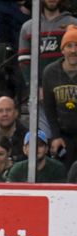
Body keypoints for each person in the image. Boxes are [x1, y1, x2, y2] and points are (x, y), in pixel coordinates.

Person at [43, 24, 77, 170]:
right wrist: (55, 135)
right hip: (64, 135)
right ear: (62, 50)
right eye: (69, 46)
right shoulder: (50, 72)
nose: (74, 50)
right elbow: (49, 108)